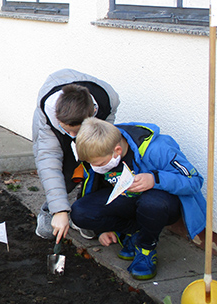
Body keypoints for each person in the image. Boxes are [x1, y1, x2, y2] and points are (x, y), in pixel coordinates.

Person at [71, 117, 205, 280]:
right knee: (80, 212)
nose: (96, 168)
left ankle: (145, 248)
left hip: (161, 203)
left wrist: (155, 179)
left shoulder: (158, 148)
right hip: (127, 199)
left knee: (152, 204)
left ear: (117, 151)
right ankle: (133, 232)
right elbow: (91, 187)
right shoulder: (98, 149)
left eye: (100, 164)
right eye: (92, 164)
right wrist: (102, 229)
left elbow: (194, 180)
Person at [32, 69, 120, 243]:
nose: (72, 135)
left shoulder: (108, 100)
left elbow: (104, 143)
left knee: (96, 161)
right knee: (64, 168)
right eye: (66, 129)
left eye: (76, 131)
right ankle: (51, 210)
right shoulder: (47, 113)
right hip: (50, 125)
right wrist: (60, 211)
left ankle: (83, 213)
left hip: (91, 119)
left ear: (92, 113)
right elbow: (48, 163)